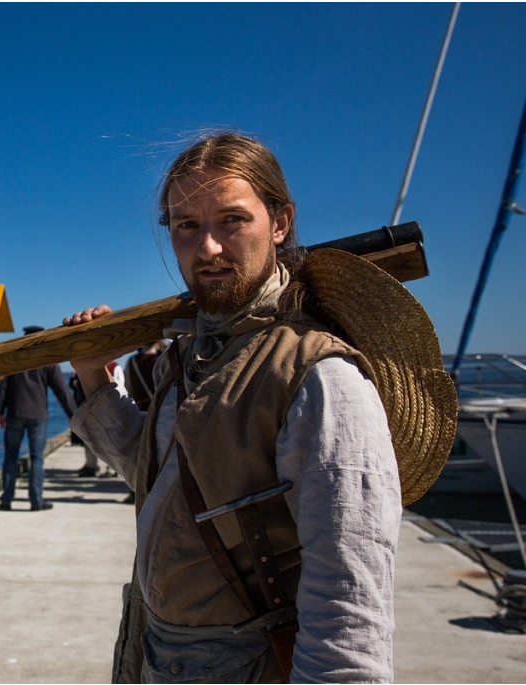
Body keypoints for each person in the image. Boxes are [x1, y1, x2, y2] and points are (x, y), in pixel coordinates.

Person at [63, 133, 419, 683]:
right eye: (187, 225)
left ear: (279, 223)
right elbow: (157, 474)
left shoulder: (319, 377)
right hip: (154, 648)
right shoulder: (188, 356)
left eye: (232, 220)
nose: (207, 248)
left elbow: (350, 610)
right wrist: (93, 374)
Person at [0, 325, 77, 511]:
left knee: (10, 457)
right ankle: (36, 501)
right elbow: (62, 391)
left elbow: (3, 387)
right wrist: (75, 417)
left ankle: (6, 500)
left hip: (15, 413)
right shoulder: (47, 359)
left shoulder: (14, 357)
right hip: (38, 415)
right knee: (37, 458)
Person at [76, 361, 123, 478]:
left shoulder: (115, 367)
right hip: (91, 409)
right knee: (90, 439)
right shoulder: (86, 365)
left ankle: (111, 468)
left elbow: (121, 388)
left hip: (110, 410)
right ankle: (91, 465)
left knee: (111, 439)